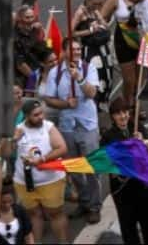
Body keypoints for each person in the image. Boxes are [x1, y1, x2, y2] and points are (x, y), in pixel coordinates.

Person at [38, 38, 101, 223]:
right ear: (64, 52)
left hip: (87, 125)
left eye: (79, 49)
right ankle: (84, 201)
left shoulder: (89, 68)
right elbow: (49, 99)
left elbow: (92, 93)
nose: (78, 53)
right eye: (73, 50)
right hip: (67, 127)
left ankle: (95, 206)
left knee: (92, 168)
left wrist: (79, 79)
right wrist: (66, 104)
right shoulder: (55, 73)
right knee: (73, 168)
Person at [100, 98, 148, 245]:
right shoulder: (108, 136)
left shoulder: (137, 127)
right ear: (112, 116)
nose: (123, 116)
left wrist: (143, 143)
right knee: (128, 227)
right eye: (118, 113)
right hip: (124, 191)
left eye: (125, 112)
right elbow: (108, 162)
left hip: (144, 186)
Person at [11, 99, 68, 244]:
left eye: (41, 113)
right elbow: (5, 153)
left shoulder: (48, 127)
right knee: (33, 214)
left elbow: (62, 148)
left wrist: (42, 159)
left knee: (55, 214)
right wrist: (13, 139)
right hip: (24, 182)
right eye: (36, 115)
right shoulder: (19, 129)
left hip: (51, 180)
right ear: (27, 116)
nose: (41, 117)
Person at [0, 178, 34, 245]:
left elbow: (28, 235)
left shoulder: (20, 211)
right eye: (3, 202)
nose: (7, 205)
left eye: (10, 201)